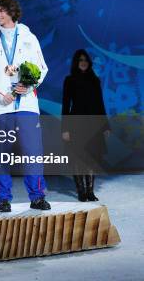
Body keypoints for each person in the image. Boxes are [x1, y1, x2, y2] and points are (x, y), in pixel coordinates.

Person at [0, 0, 50, 212]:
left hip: (26, 105)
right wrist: (0, 94)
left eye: (2, 10)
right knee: (0, 153)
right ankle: (3, 199)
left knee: (33, 152)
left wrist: (29, 85)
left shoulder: (29, 37)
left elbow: (42, 68)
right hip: (1, 107)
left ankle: (37, 196)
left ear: (12, 12)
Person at [61, 49, 110, 202]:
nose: (83, 62)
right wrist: (65, 129)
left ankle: (90, 191)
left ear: (89, 63)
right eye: (80, 60)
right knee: (78, 158)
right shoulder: (69, 80)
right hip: (76, 124)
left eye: (86, 60)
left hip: (94, 125)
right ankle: (81, 191)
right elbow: (65, 105)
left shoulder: (95, 80)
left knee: (92, 158)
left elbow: (100, 104)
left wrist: (106, 126)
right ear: (76, 63)